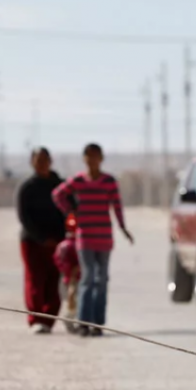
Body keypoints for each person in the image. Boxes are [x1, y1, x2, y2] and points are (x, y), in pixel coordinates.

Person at [52, 143, 133, 337]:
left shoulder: (109, 182)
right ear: (85, 159)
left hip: (104, 238)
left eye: (95, 156)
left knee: (102, 279)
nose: (92, 160)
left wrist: (123, 228)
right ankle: (83, 322)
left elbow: (117, 206)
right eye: (89, 156)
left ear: (101, 158)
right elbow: (58, 194)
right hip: (85, 238)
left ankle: (98, 323)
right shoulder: (79, 181)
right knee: (87, 278)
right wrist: (71, 212)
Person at [15, 147, 66, 334]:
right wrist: (42, 238)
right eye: (38, 160)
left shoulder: (61, 186)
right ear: (32, 162)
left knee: (54, 281)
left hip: (58, 243)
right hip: (32, 242)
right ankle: (35, 318)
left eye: (45, 159)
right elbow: (23, 216)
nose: (42, 163)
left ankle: (49, 318)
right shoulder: (27, 187)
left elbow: (69, 211)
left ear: (50, 161)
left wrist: (60, 237)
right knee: (35, 279)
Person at [54, 213, 80, 333]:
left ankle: (71, 320)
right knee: (74, 303)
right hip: (76, 280)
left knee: (70, 302)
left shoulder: (61, 246)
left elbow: (56, 260)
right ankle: (70, 320)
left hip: (65, 279)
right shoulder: (79, 246)